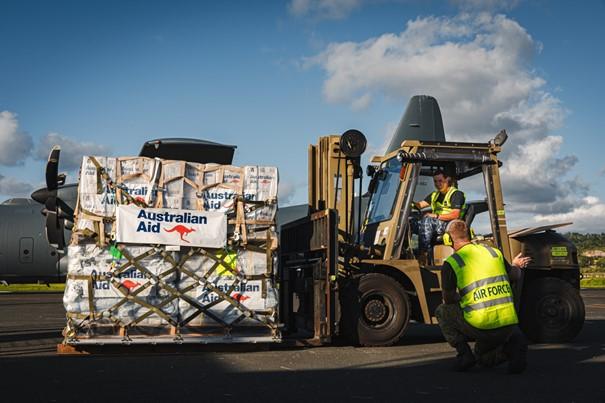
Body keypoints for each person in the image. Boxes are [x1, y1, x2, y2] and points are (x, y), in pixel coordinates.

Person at [435, 219, 531, 373]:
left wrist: (465, 299)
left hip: (482, 326)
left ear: (448, 239)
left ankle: (465, 354)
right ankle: (512, 349)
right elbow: (515, 275)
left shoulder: (452, 263)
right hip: (509, 324)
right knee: (481, 352)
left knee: (442, 311)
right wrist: (516, 265)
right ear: (471, 234)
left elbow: (449, 299)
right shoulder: (493, 252)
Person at [413, 169, 465, 263]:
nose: (438, 184)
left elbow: (455, 214)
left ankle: (423, 254)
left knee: (427, 220)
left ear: (447, 180)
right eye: (435, 181)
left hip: (450, 224)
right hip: (436, 223)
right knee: (410, 223)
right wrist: (409, 201)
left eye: (440, 181)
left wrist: (436, 216)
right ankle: (405, 252)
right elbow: (420, 205)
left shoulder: (456, 194)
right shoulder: (434, 195)